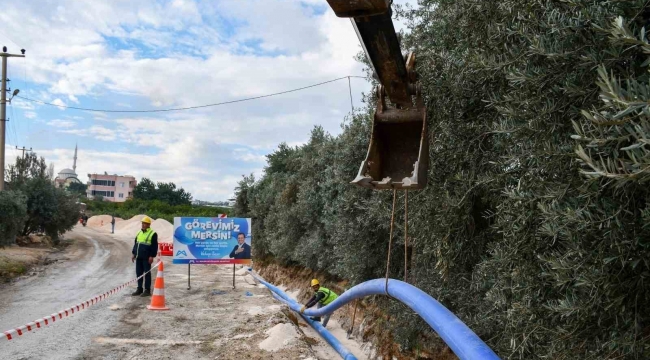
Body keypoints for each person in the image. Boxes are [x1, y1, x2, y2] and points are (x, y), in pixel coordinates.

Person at [131, 216, 158, 297]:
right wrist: (133, 253)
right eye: (142, 223)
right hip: (139, 257)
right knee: (139, 273)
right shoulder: (139, 232)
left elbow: (154, 246)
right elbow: (136, 244)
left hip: (146, 258)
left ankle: (147, 290)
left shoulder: (153, 233)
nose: (143, 225)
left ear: (149, 224)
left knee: (146, 273)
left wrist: (152, 256)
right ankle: (139, 289)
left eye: (145, 223)